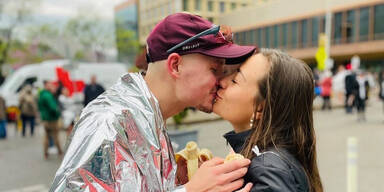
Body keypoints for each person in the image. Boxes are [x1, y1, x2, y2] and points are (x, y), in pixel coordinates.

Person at [50, 13, 256, 192]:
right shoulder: (107, 123)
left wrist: (179, 183)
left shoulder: (148, 117)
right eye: (214, 69)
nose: (222, 81)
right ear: (175, 65)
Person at [214, 49, 323, 192]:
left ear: (260, 108)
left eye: (235, 80)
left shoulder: (268, 170)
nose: (221, 81)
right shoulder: (268, 163)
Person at [38, 81, 63, 159]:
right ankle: (60, 151)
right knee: (55, 136)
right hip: (52, 119)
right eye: (51, 85)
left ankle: (45, 153)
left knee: (46, 136)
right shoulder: (48, 95)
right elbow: (53, 108)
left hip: (45, 118)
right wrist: (58, 114)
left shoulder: (41, 95)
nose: (53, 87)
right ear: (47, 86)